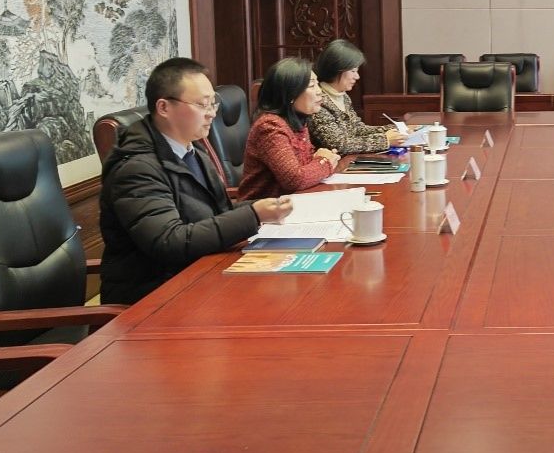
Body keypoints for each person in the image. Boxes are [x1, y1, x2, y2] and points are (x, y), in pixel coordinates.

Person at [99, 57, 291, 305]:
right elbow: (169, 241)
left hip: (199, 273)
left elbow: (214, 212)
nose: (212, 113)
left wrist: (261, 208)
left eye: (213, 104)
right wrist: (252, 215)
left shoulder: (191, 149)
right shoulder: (136, 168)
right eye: (202, 104)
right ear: (164, 107)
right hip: (154, 296)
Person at [238, 58, 341, 199]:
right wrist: (324, 162)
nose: (319, 92)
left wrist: (320, 159)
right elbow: (294, 180)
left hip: (293, 202)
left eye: (317, 84)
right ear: (291, 93)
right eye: (312, 86)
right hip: (264, 208)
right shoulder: (269, 126)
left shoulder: (297, 120)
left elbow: (304, 168)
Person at [308, 39, 408, 154]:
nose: (357, 77)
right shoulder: (318, 101)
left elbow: (357, 129)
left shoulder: (343, 96)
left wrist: (394, 129)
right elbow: (339, 145)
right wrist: (385, 140)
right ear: (336, 68)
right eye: (353, 71)